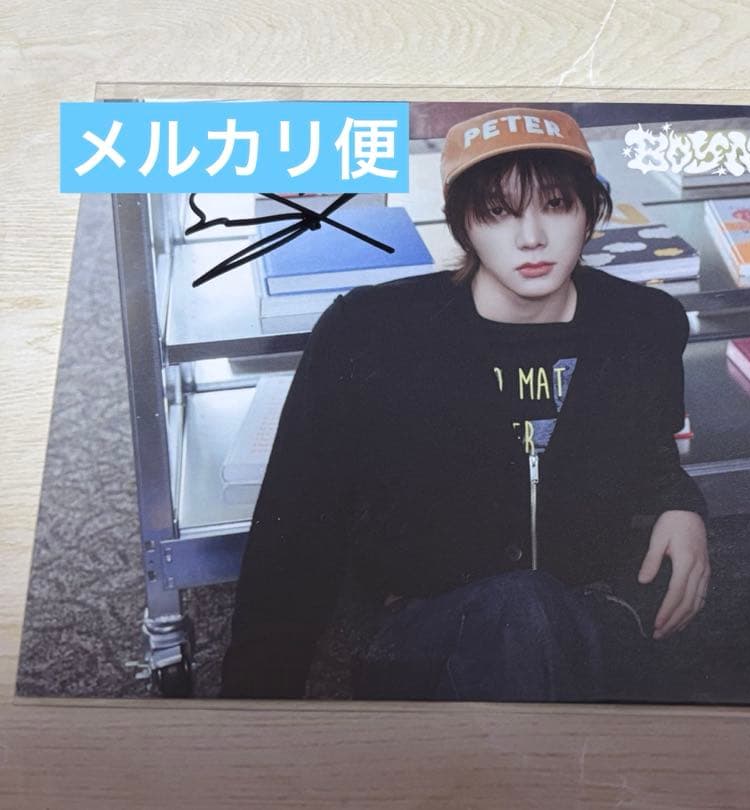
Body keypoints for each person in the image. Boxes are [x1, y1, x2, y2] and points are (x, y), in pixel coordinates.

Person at [221, 107, 710, 701]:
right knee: (524, 610)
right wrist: (255, 712)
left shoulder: (645, 324)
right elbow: (295, 527)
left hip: (583, 610)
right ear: (463, 227)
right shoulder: (370, 333)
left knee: (548, 623)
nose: (531, 237)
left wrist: (681, 504)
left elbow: (649, 452)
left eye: (557, 205)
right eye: (498, 212)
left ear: (589, 212)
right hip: (425, 627)